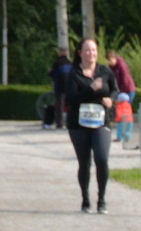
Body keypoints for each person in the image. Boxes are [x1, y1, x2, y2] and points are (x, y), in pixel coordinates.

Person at [65, 38, 116, 213]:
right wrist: (90, 89)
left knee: (101, 159)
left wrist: (111, 100)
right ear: (80, 53)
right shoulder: (74, 74)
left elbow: (115, 90)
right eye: (87, 50)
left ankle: (102, 200)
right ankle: (85, 200)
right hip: (78, 124)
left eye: (93, 50)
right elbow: (70, 99)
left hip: (101, 121)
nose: (91, 53)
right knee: (84, 162)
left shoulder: (105, 71)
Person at [47, 47, 73, 130]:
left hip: (59, 87)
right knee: (69, 105)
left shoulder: (57, 63)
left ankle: (59, 123)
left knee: (59, 106)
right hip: (69, 87)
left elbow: (53, 74)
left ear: (60, 53)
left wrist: (49, 71)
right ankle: (70, 122)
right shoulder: (70, 63)